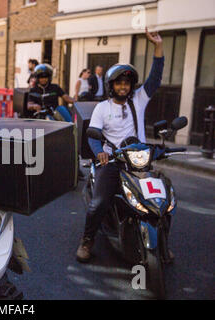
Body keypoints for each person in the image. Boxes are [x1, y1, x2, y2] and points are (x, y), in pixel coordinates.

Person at [76, 28, 165, 263]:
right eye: (119, 83)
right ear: (111, 86)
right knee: (99, 203)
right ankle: (87, 240)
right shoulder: (102, 108)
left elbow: (155, 78)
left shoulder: (139, 99)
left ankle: (162, 243)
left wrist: (158, 47)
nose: (123, 87)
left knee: (161, 200)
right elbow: (93, 135)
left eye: (127, 83)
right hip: (113, 160)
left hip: (138, 160)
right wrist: (99, 155)